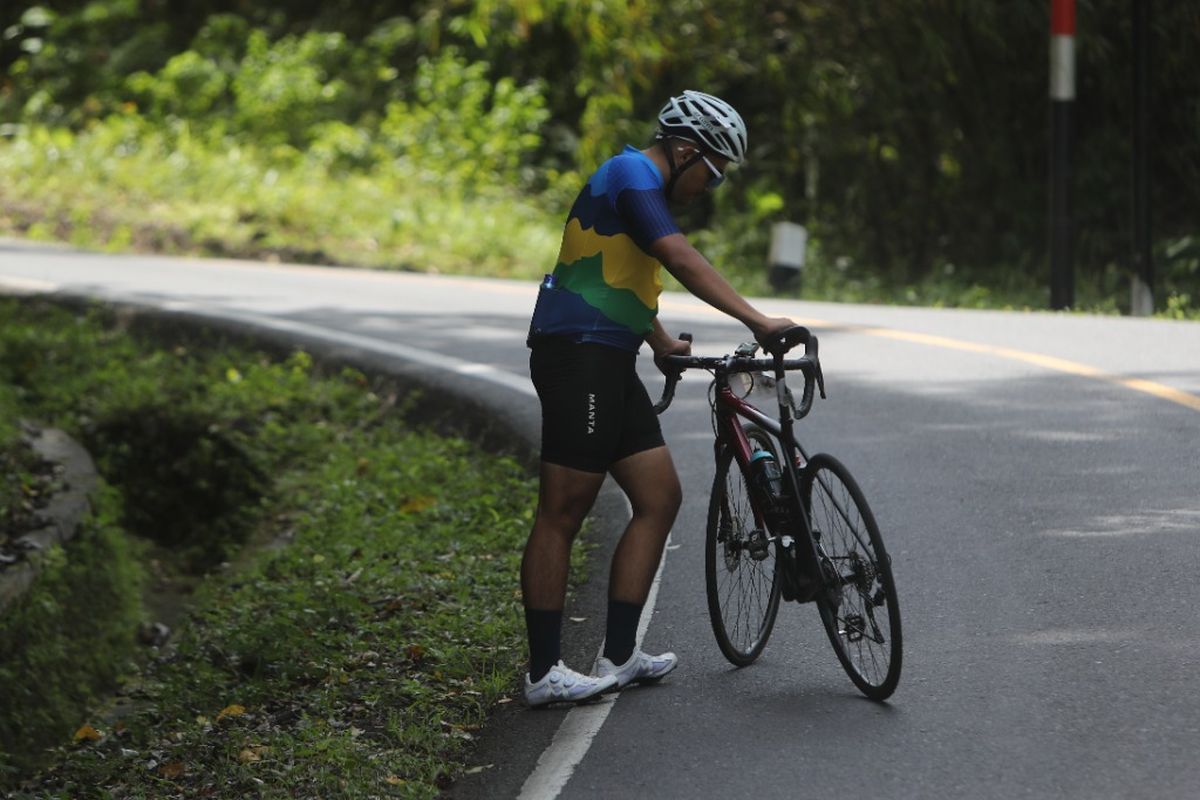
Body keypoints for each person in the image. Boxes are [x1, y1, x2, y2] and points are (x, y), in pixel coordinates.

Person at [522, 90, 796, 706]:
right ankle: (544, 672)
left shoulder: (638, 185)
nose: (712, 185)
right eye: (715, 171)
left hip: (609, 356)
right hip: (578, 356)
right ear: (685, 150)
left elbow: (615, 272)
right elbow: (675, 256)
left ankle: (620, 655)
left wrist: (661, 341)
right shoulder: (631, 173)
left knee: (659, 496)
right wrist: (759, 321)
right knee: (563, 510)